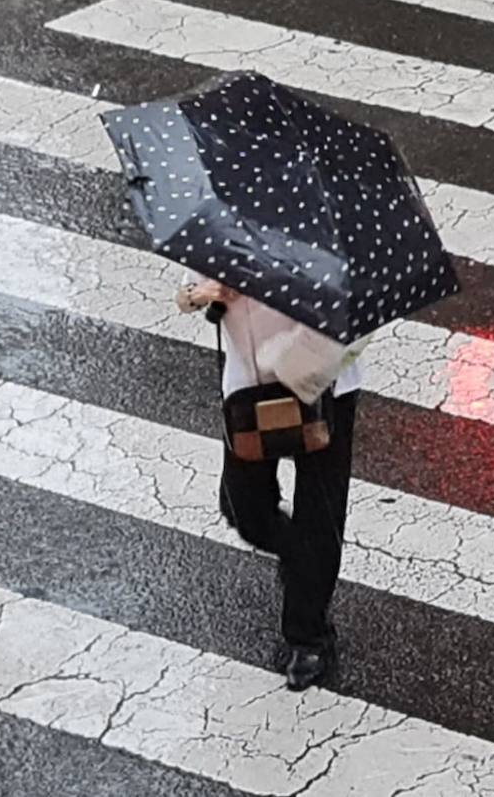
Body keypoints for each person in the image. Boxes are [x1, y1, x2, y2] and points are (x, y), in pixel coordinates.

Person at [176, 273, 362, 691]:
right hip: (247, 385)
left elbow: (362, 308)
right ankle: (302, 564)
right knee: (243, 506)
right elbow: (184, 297)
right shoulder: (227, 220)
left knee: (321, 511)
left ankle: (308, 637)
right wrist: (203, 293)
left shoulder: (329, 227)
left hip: (323, 384)